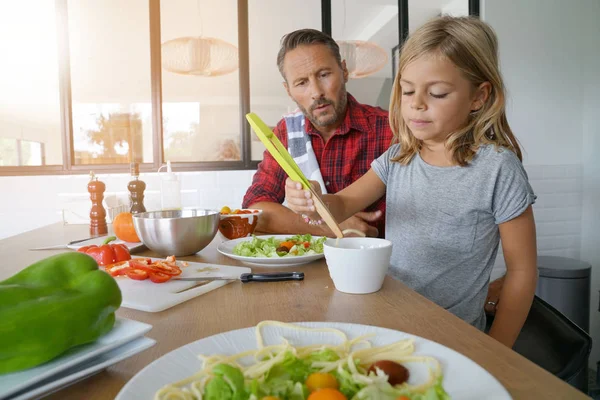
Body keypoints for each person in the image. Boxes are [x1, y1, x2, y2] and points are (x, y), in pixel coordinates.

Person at [284, 16, 538, 348]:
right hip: (389, 324)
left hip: (453, 339)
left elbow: (522, 273)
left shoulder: (497, 169)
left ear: (478, 97)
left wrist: (499, 353)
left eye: (437, 93)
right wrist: (314, 197)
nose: (416, 103)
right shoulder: (399, 157)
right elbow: (341, 204)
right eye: (407, 91)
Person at [242, 29, 393, 238]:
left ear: (344, 71)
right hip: (311, 268)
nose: (316, 92)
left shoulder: (389, 129)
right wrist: (328, 226)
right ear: (288, 91)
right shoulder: (287, 133)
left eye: (324, 75)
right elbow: (255, 210)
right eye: (301, 82)